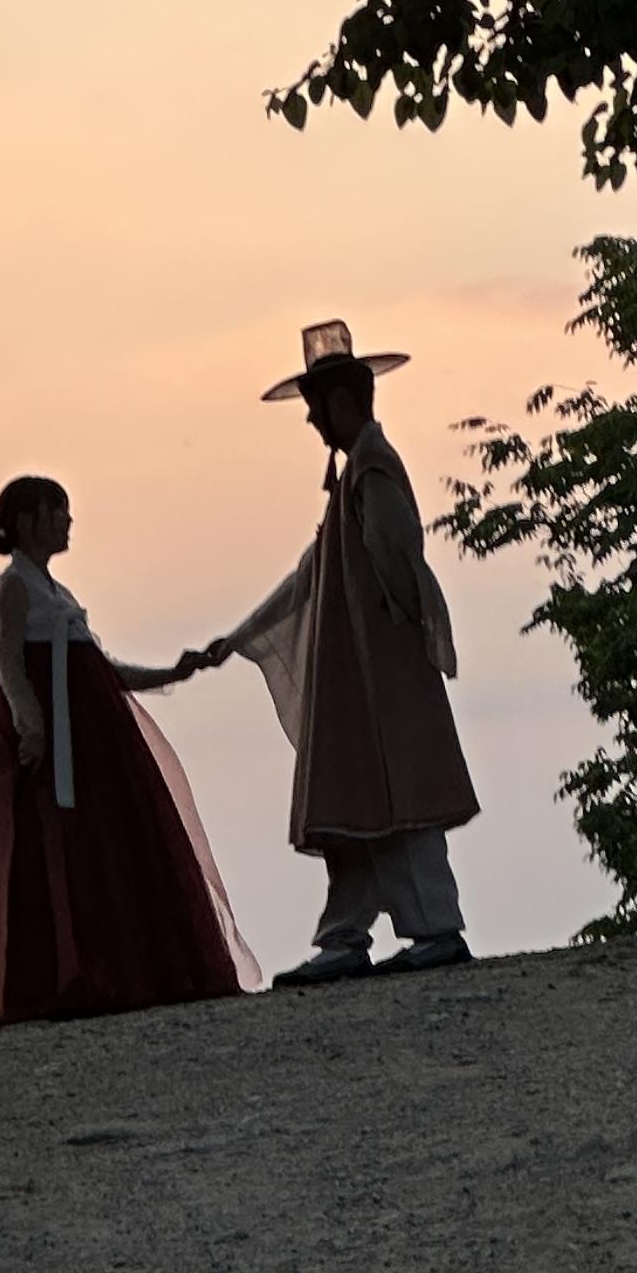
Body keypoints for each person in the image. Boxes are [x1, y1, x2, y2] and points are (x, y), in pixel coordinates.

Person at [185, 321, 478, 984]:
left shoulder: (372, 470)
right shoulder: (357, 477)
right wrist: (237, 638)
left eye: (317, 408)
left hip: (382, 673)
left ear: (342, 403)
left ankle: (433, 926)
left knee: (400, 802)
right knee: (359, 805)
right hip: (361, 673)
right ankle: (345, 936)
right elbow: (314, 574)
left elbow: (398, 559)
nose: (313, 421)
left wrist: (400, 634)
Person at [0, 474, 259, 1038]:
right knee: (41, 852)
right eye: (57, 512)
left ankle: (115, 971)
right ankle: (45, 981)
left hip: (88, 743)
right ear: (26, 522)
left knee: (103, 850)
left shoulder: (57, 595)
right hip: (48, 741)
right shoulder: (11, 590)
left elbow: (99, 670)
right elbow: (7, 664)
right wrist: (30, 727)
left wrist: (169, 674)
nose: (67, 522)